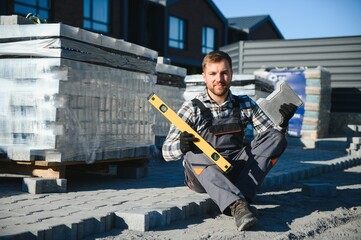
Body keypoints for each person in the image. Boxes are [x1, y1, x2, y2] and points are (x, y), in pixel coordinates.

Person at [162, 51, 297, 231]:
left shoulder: (245, 104)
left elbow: (270, 138)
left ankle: (236, 197)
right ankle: (238, 205)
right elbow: (165, 151)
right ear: (204, 77)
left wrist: (282, 123)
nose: (219, 78)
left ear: (231, 74)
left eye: (224, 73)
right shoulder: (192, 108)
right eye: (213, 74)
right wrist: (181, 145)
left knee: (276, 136)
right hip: (203, 175)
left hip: (235, 169)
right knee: (192, 151)